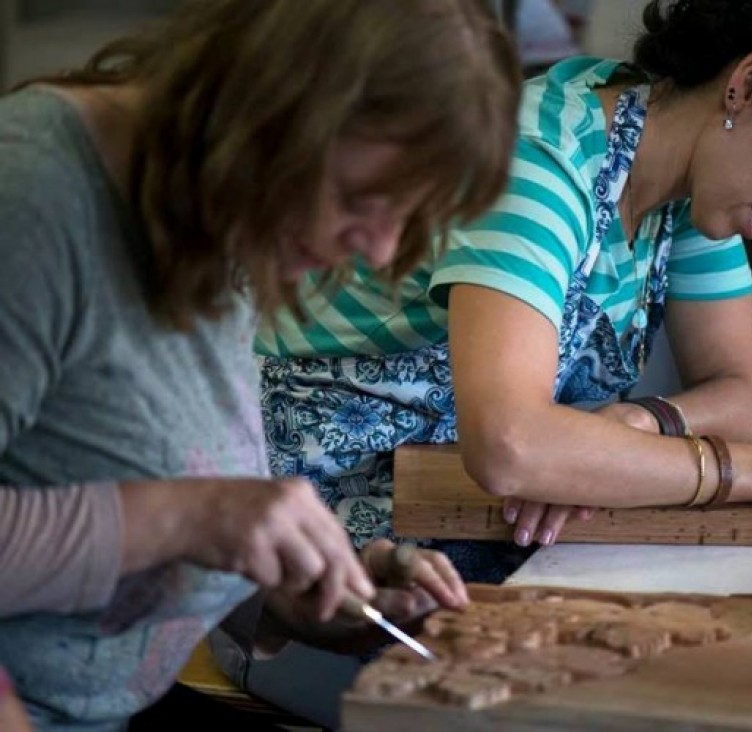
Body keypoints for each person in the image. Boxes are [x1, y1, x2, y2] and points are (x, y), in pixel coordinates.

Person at [0, 0, 521, 729]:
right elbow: (172, 511)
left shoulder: (220, 213)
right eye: (361, 200)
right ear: (274, 112)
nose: (376, 251)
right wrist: (197, 515)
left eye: (404, 219)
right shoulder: (32, 191)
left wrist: (307, 594)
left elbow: (139, 494)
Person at [257, 0, 752, 563]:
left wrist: (633, 424)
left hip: (476, 518)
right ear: (749, 83)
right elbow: (511, 447)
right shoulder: (543, 160)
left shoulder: (692, 188)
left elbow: (743, 397)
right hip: (317, 541)